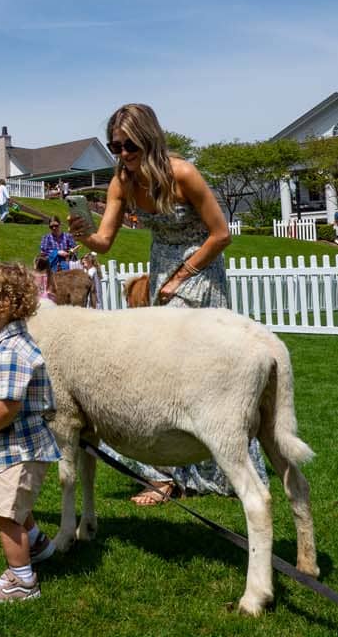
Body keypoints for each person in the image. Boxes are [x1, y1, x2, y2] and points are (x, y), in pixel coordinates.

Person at [69, 102, 265, 504]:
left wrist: (182, 276)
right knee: (163, 372)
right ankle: (166, 469)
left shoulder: (183, 173)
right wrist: (82, 235)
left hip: (200, 268)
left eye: (130, 146)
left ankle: (192, 470)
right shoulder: (121, 182)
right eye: (115, 147)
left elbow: (221, 234)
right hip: (161, 270)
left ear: (149, 139)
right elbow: (104, 242)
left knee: (194, 372)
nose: (123, 154)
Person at [0, 262, 60, 603]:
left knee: (4, 512)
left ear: (2, 306)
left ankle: (22, 581)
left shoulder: (10, 351)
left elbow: (9, 405)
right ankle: (37, 544)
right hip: (17, 446)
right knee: (16, 503)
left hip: (19, 447)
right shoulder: (7, 342)